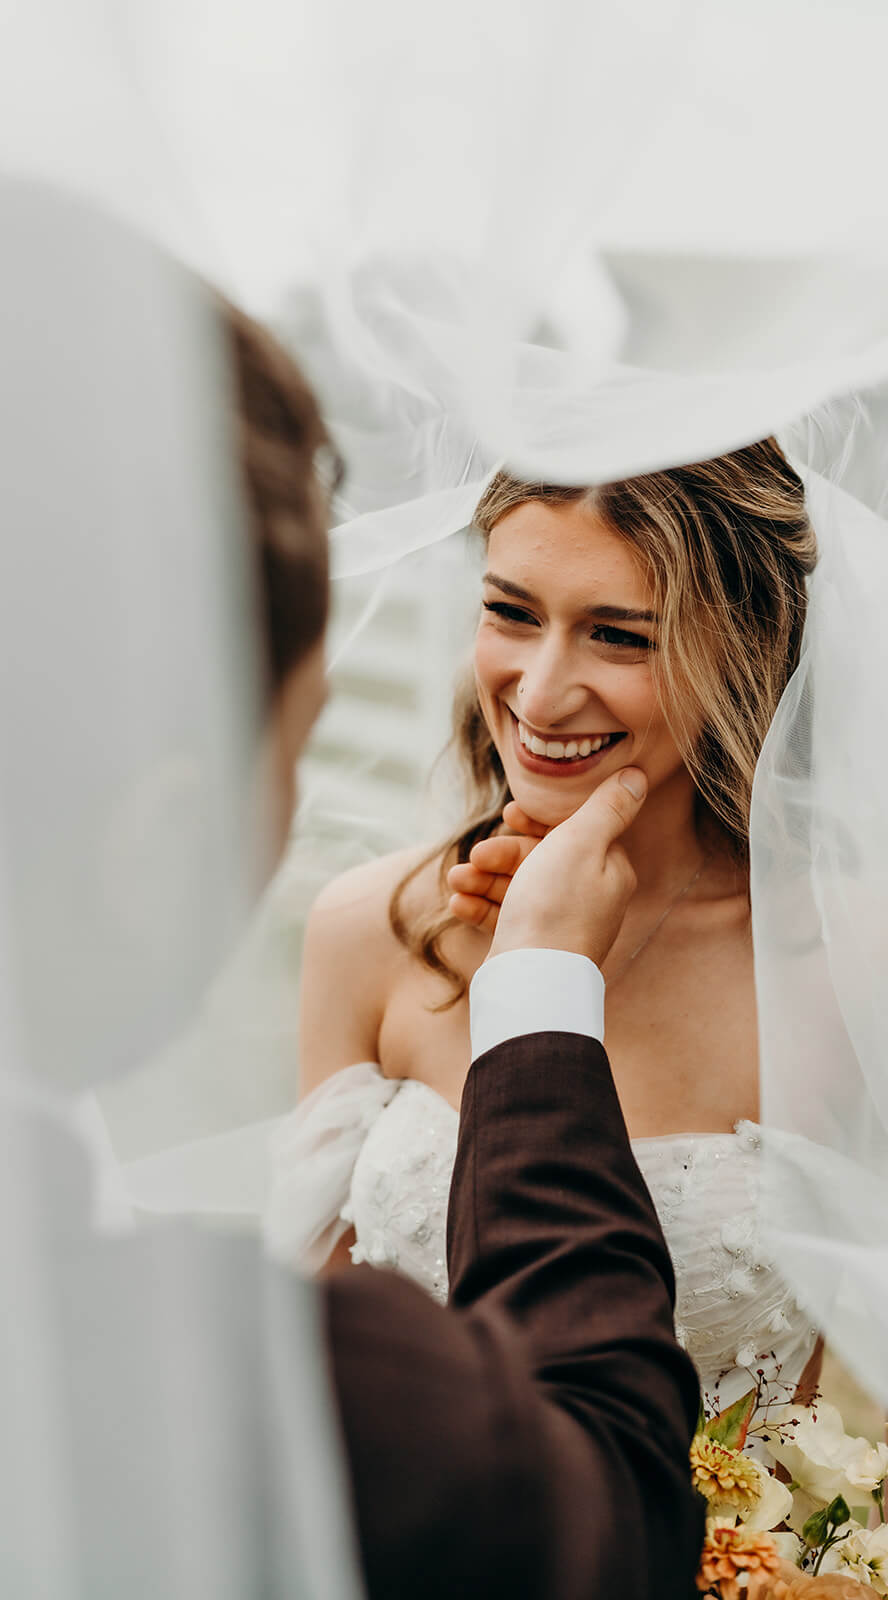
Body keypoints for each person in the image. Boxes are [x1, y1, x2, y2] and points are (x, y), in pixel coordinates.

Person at [225, 300, 708, 1597]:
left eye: (620, 633)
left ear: (736, 648)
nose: (542, 692)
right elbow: (312, 1367)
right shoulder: (368, 932)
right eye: (510, 611)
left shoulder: (853, 964)